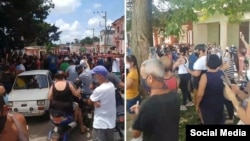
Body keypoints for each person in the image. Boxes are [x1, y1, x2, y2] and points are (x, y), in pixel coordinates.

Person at [131, 59, 180, 141]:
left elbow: (136, 134)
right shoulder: (175, 95)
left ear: (150, 78)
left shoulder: (147, 104)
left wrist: (139, 113)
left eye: (143, 77)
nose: (142, 80)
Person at [88, 65, 116, 141]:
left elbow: (89, 101)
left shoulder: (99, 89)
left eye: (94, 75)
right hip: (110, 123)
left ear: (100, 76)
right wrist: (96, 101)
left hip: (100, 124)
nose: (94, 77)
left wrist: (94, 102)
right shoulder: (111, 85)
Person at [196, 54, 225, 124]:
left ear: (207, 63)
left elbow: (200, 94)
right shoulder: (222, 73)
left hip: (208, 105)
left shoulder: (205, 76)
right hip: (219, 103)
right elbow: (226, 86)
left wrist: (197, 104)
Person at [126, 55, 140, 122]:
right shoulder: (135, 70)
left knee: (133, 115)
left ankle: (135, 126)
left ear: (131, 63)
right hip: (134, 95)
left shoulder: (131, 75)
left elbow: (126, 86)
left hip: (131, 97)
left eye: (126, 62)